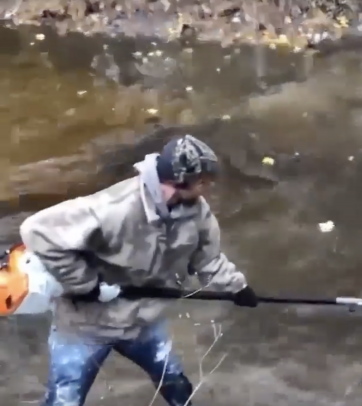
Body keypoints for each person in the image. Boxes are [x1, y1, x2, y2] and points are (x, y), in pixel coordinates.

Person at [19, 135, 261, 406]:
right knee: (64, 400)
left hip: (143, 321)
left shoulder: (197, 212)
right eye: (204, 181)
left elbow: (207, 260)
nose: (209, 187)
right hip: (84, 327)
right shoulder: (113, 208)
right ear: (180, 181)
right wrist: (87, 285)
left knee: (177, 387)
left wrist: (236, 287)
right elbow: (36, 230)